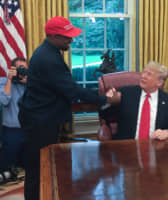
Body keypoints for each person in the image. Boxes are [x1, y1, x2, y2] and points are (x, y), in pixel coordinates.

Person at [18, 16, 121, 200]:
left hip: (41, 117)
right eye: (67, 37)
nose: (71, 40)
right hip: (41, 121)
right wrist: (104, 98)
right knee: (38, 169)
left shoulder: (49, 52)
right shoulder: (48, 58)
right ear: (54, 36)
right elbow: (71, 89)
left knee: (41, 167)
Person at [102, 61, 168, 140]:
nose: (143, 76)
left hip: (155, 148)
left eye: (149, 74)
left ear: (159, 82)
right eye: (144, 72)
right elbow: (105, 115)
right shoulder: (126, 93)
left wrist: (167, 133)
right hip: (127, 146)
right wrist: (109, 101)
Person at [0, 57, 28, 184]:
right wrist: (10, 79)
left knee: (28, 163)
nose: (22, 71)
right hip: (12, 130)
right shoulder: (4, 81)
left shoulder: (30, 84)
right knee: (6, 163)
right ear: (12, 69)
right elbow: (4, 100)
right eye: (19, 68)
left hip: (29, 129)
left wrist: (28, 83)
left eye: (24, 68)